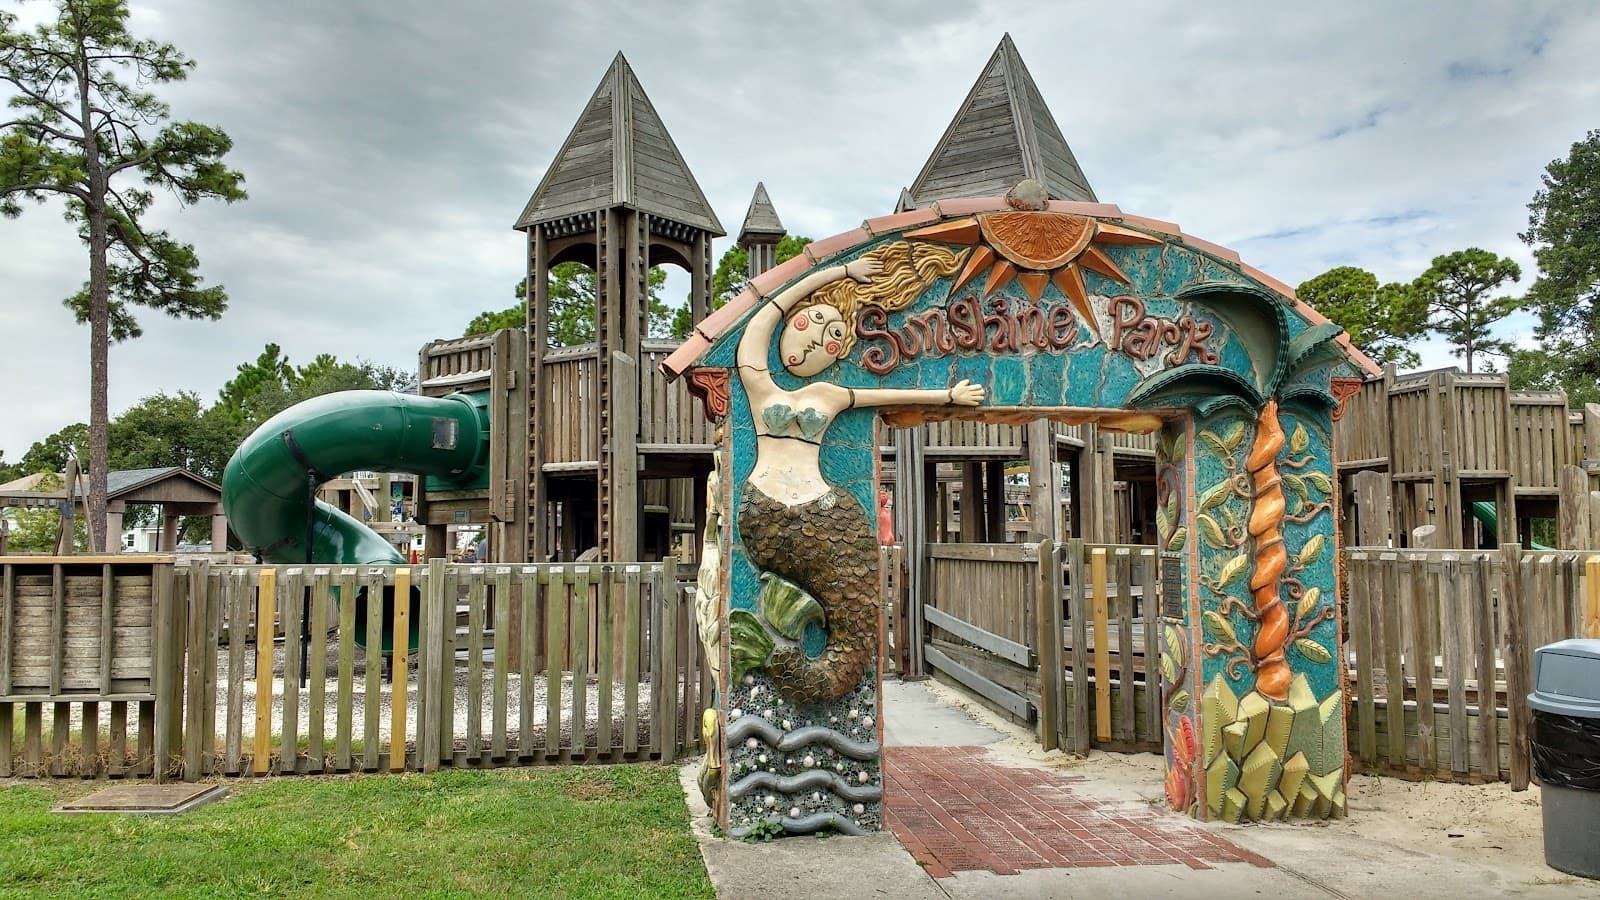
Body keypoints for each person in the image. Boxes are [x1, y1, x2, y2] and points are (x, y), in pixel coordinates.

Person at [733, 242, 983, 704]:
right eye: (811, 322)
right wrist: (840, 272)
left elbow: (887, 397)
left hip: (825, 514)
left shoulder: (828, 393)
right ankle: (780, 642)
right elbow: (764, 314)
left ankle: (812, 667)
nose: (814, 340)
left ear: (838, 355)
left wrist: (948, 397)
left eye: (831, 338)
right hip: (764, 512)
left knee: (857, 602)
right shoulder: (757, 382)